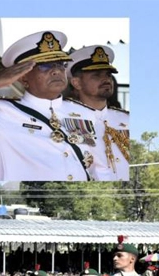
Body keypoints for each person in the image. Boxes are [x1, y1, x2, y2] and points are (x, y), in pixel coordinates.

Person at [0, 30, 96, 181]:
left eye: (60, 64)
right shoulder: (1, 112)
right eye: (45, 65)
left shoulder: (83, 112)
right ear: (22, 77)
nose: (56, 70)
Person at [65, 45, 130, 181]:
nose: (106, 79)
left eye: (108, 74)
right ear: (77, 83)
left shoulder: (126, 119)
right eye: (96, 75)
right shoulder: (62, 117)